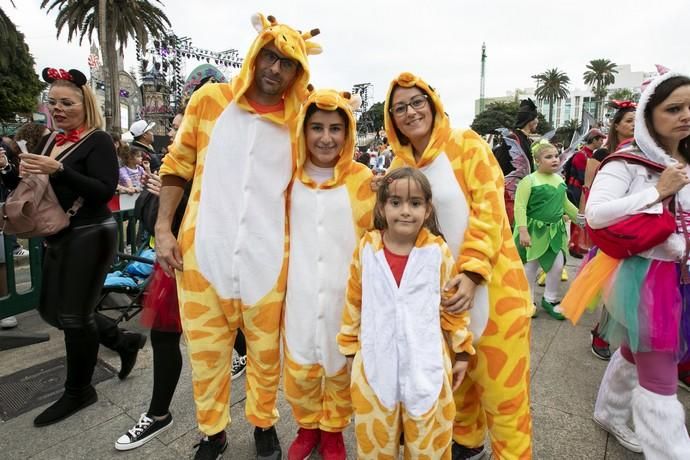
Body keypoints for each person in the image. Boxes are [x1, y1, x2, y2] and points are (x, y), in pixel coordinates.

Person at [155, 13, 321, 460]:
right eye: (269, 55)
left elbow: (327, 164)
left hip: (268, 261)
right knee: (207, 356)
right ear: (254, 53)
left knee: (266, 355)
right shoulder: (210, 100)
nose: (273, 69)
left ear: (297, 72)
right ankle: (213, 432)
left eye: (286, 63)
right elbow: (177, 165)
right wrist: (162, 228)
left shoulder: (300, 119)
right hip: (202, 255)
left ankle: (264, 424)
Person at [384, 72, 532, 460]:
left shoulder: (466, 144)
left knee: (505, 401)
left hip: (493, 294)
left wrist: (471, 272)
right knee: (458, 389)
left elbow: (489, 210)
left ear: (432, 103)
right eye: (399, 107)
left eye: (417, 102)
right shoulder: (398, 165)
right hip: (439, 305)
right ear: (391, 117)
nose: (410, 111)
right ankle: (468, 445)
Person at [561, 72, 690, 457]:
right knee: (660, 378)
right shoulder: (627, 162)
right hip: (648, 279)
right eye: (674, 108)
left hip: (681, 276)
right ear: (650, 114)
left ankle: (610, 411)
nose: (685, 115)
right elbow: (596, 215)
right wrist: (658, 191)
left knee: (635, 353)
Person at [0, 67, 124, 426]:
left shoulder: (97, 140)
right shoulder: (49, 139)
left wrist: (59, 170)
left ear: (84, 105)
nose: (58, 108)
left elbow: (104, 191)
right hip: (59, 233)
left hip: (91, 232)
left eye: (66, 102)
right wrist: (8, 169)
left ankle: (79, 390)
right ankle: (122, 341)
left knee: (73, 317)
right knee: (52, 310)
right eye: (52, 102)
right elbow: (31, 186)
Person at [338, 167, 474, 458]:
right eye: (396, 202)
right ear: (383, 206)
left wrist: (461, 351)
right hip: (375, 365)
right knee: (374, 445)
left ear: (427, 210)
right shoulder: (367, 248)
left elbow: (453, 307)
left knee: (428, 446)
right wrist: (349, 348)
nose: (405, 211)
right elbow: (353, 301)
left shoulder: (438, 251)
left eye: (415, 203)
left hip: (426, 367)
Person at [282, 89, 374, 460]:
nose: (325, 137)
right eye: (316, 127)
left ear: (348, 132)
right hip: (298, 291)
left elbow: (375, 236)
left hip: (344, 295)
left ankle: (333, 429)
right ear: (303, 131)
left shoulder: (362, 178)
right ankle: (307, 426)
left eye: (336, 128)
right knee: (301, 363)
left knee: (339, 365)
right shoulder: (288, 179)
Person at [586, 101, 636, 361]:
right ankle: (602, 331)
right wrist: (585, 219)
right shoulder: (602, 154)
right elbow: (589, 187)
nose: (634, 124)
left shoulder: (648, 152)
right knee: (612, 283)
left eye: (638, 119)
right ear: (616, 125)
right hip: (610, 226)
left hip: (638, 227)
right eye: (629, 120)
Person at [514, 140, 581, 320]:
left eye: (556, 156)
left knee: (558, 265)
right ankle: (528, 300)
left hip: (555, 232)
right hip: (534, 231)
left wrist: (580, 218)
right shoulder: (529, 180)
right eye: (548, 157)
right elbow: (519, 207)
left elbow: (565, 203)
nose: (555, 160)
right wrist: (523, 231)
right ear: (537, 161)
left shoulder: (559, 179)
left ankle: (550, 299)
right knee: (531, 266)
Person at [492, 98, 539, 226]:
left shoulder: (527, 140)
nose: (537, 122)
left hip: (524, 194)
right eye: (536, 118)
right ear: (530, 120)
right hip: (510, 195)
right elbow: (498, 165)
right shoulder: (512, 139)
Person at [565, 129, 605, 258]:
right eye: (600, 140)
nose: (602, 142)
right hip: (576, 190)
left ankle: (579, 244)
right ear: (593, 140)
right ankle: (574, 245)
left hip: (583, 189)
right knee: (577, 217)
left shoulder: (588, 154)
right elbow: (583, 176)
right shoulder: (582, 155)